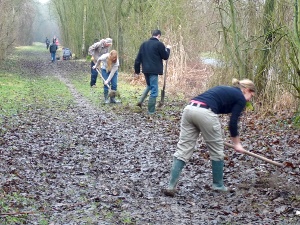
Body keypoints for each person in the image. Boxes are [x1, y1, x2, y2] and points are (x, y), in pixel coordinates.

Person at [163, 78, 256, 197]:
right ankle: (218, 185)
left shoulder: (228, 90)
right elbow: (233, 122)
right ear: (247, 90)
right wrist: (237, 143)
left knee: (183, 149)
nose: (249, 99)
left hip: (189, 109)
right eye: (251, 96)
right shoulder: (240, 97)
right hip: (205, 112)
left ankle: (171, 186)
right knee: (217, 151)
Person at [134, 29, 171, 114]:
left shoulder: (144, 44)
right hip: (154, 71)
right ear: (159, 36)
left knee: (149, 86)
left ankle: (140, 102)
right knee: (154, 90)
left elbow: (137, 59)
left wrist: (137, 71)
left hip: (145, 70)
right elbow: (165, 56)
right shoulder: (159, 44)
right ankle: (151, 111)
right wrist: (168, 49)